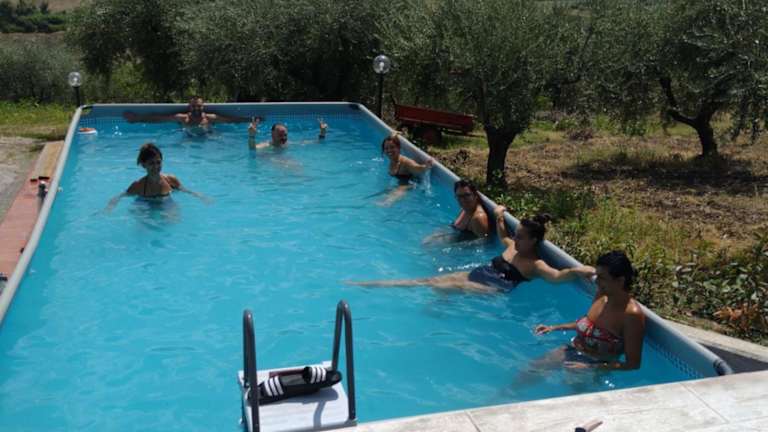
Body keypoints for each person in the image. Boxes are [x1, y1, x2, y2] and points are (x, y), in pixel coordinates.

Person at [349, 206, 595, 292]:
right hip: (482, 272)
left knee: (442, 286)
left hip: (494, 288)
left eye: (521, 237)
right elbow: (503, 236)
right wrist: (499, 216)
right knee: (429, 280)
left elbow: (557, 276)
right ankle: (374, 284)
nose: (516, 239)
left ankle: (375, 285)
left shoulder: (535, 264)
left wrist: (579, 270)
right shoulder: (513, 246)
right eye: (517, 235)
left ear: (533, 241)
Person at [533, 251, 646, 370]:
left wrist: (590, 367)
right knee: (532, 369)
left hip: (595, 364)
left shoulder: (631, 315)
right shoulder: (602, 295)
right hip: (572, 348)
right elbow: (588, 325)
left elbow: (632, 364)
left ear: (620, 281)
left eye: (602, 278)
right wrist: (554, 327)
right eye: (597, 276)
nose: (596, 281)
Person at [105, 143, 208, 211]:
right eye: (151, 163)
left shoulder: (170, 180)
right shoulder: (138, 185)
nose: (156, 167)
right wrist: (110, 207)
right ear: (144, 165)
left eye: (158, 162)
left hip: (166, 201)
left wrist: (200, 196)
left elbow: (184, 190)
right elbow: (120, 196)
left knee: (173, 221)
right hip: (144, 202)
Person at [123, 96, 249, 135]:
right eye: (194, 106)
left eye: (199, 106)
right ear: (190, 107)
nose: (196, 108)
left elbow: (231, 120)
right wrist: (137, 119)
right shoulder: (182, 118)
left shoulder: (209, 118)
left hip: (208, 140)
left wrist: (250, 119)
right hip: (188, 142)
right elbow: (159, 119)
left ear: (203, 106)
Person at [377, 133, 433, 206]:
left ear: (398, 148)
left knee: (388, 201)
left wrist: (426, 166)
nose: (389, 150)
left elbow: (417, 167)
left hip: (410, 184)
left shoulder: (405, 162)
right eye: (386, 148)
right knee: (379, 198)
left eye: (392, 147)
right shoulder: (392, 161)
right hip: (400, 184)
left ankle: (387, 204)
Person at [248, 117, 328, 149]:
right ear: (272, 134)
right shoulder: (267, 145)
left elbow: (318, 142)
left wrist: (322, 132)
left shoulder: (288, 144)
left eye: (285, 135)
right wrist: (251, 136)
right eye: (280, 135)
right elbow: (252, 149)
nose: (283, 137)